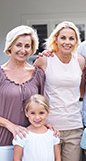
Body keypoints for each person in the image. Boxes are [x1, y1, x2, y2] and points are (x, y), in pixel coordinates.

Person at [34, 21, 85, 161]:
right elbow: (32, 88)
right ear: (56, 39)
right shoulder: (45, 60)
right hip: (49, 126)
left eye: (71, 38)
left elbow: (82, 91)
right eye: (63, 37)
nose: (67, 42)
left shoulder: (80, 61)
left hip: (74, 126)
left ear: (76, 41)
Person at [0, 25, 45, 161]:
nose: (23, 50)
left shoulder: (38, 74)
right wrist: (10, 125)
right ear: (10, 46)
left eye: (27, 46)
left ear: (32, 49)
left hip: (31, 142)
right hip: (3, 142)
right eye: (18, 45)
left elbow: (42, 107)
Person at [13, 94, 61, 161]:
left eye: (41, 113)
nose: (37, 117)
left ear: (48, 112)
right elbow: (16, 159)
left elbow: (57, 158)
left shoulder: (53, 134)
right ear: (26, 113)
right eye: (32, 113)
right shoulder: (22, 135)